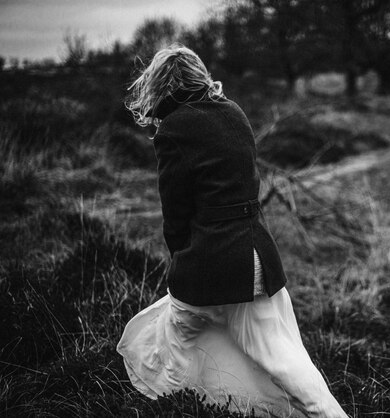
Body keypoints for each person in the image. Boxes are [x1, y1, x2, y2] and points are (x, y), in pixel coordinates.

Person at [116, 44, 349, 418]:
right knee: (281, 358)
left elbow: (175, 213)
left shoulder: (172, 130)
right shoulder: (234, 112)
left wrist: (182, 260)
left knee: (168, 339)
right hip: (257, 256)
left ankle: (170, 408)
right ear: (199, 75)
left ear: (159, 86)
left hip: (211, 263)